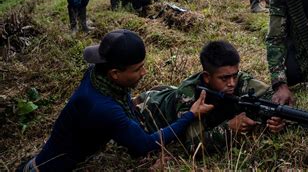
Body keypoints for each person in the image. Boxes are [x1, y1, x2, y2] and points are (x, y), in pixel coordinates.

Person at [18, 29, 213, 171]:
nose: (144, 72)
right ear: (115, 73)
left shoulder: (98, 75)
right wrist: (190, 115)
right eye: (137, 69)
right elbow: (144, 145)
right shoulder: (103, 108)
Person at [137, 40, 284, 153]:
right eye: (224, 78)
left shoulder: (237, 79)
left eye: (235, 75)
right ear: (207, 77)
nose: (232, 83)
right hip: (149, 109)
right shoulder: (189, 94)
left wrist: (275, 119)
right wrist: (229, 129)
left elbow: (272, 98)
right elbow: (192, 146)